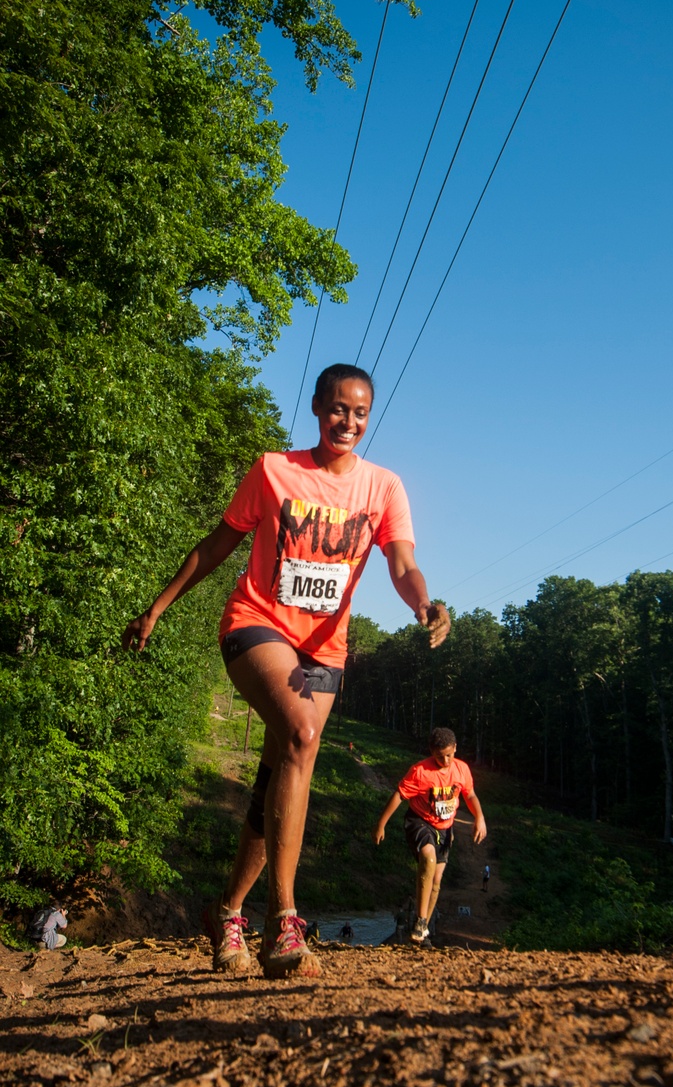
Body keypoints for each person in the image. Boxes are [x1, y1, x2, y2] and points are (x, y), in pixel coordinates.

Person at [122, 364, 449, 979]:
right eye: (337, 409)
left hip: (324, 652)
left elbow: (403, 563)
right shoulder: (275, 470)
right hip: (257, 624)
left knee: (279, 774)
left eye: (359, 412)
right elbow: (218, 543)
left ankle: (227, 913)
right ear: (317, 408)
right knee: (301, 735)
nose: (347, 421)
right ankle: (285, 923)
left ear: (368, 417)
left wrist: (423, 604)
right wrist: (158, 608)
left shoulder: (383, 488)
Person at [372, 727, 486, 944]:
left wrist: (479, 817)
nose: (445, 760)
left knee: (436, 880)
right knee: (428, 858)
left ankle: (422, 927)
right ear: (431, 752)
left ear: (455, 749)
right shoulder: (420, 771)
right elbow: (399, 795)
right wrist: (381, 824)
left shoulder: (461, 770)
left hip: (445, 828)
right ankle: (421, 922)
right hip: (419, 822)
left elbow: (469, 794)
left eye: (449, 755)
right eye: (439, 756)